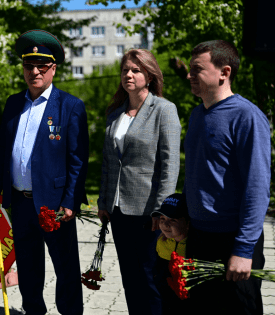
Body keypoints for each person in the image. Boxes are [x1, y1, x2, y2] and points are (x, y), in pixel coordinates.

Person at [0, 29, 89, 315]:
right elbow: (2, 150)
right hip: (20, 203)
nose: (34, 71)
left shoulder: (70, 106)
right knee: (29, 266)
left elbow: (78, 160)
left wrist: (70, 202)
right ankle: (34, 311)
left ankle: (71, 312)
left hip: (55, 205)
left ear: (53, 69)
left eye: (41, 66)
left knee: (66, 268)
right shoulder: (12, 103)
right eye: (29, 66)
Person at [184, 40, 271, 315]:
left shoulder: (246, 116)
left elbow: (257, 187)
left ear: (224, 72)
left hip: (233, 240)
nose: (189, 75)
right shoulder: (197, 115)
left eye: (196, 69)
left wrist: (244, 250)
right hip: (199, 237)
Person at [97, 48, 181, 315]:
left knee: (151, 278)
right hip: (119, 210)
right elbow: (109, 163)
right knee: (129, 277)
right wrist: (103, 201)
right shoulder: (115, 113)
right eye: (125, 70)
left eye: (135, 69)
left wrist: (162, 210)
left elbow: (170, 165)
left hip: (149, 213)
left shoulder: (164, 110)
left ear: (150, 74)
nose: (129, 74)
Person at [151, 193, 191, 315]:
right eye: (162, 219)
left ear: (187, 223)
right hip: (165, 296)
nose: (165, 225)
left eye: (172, 220)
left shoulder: (192, 247)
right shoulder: (162, 241)